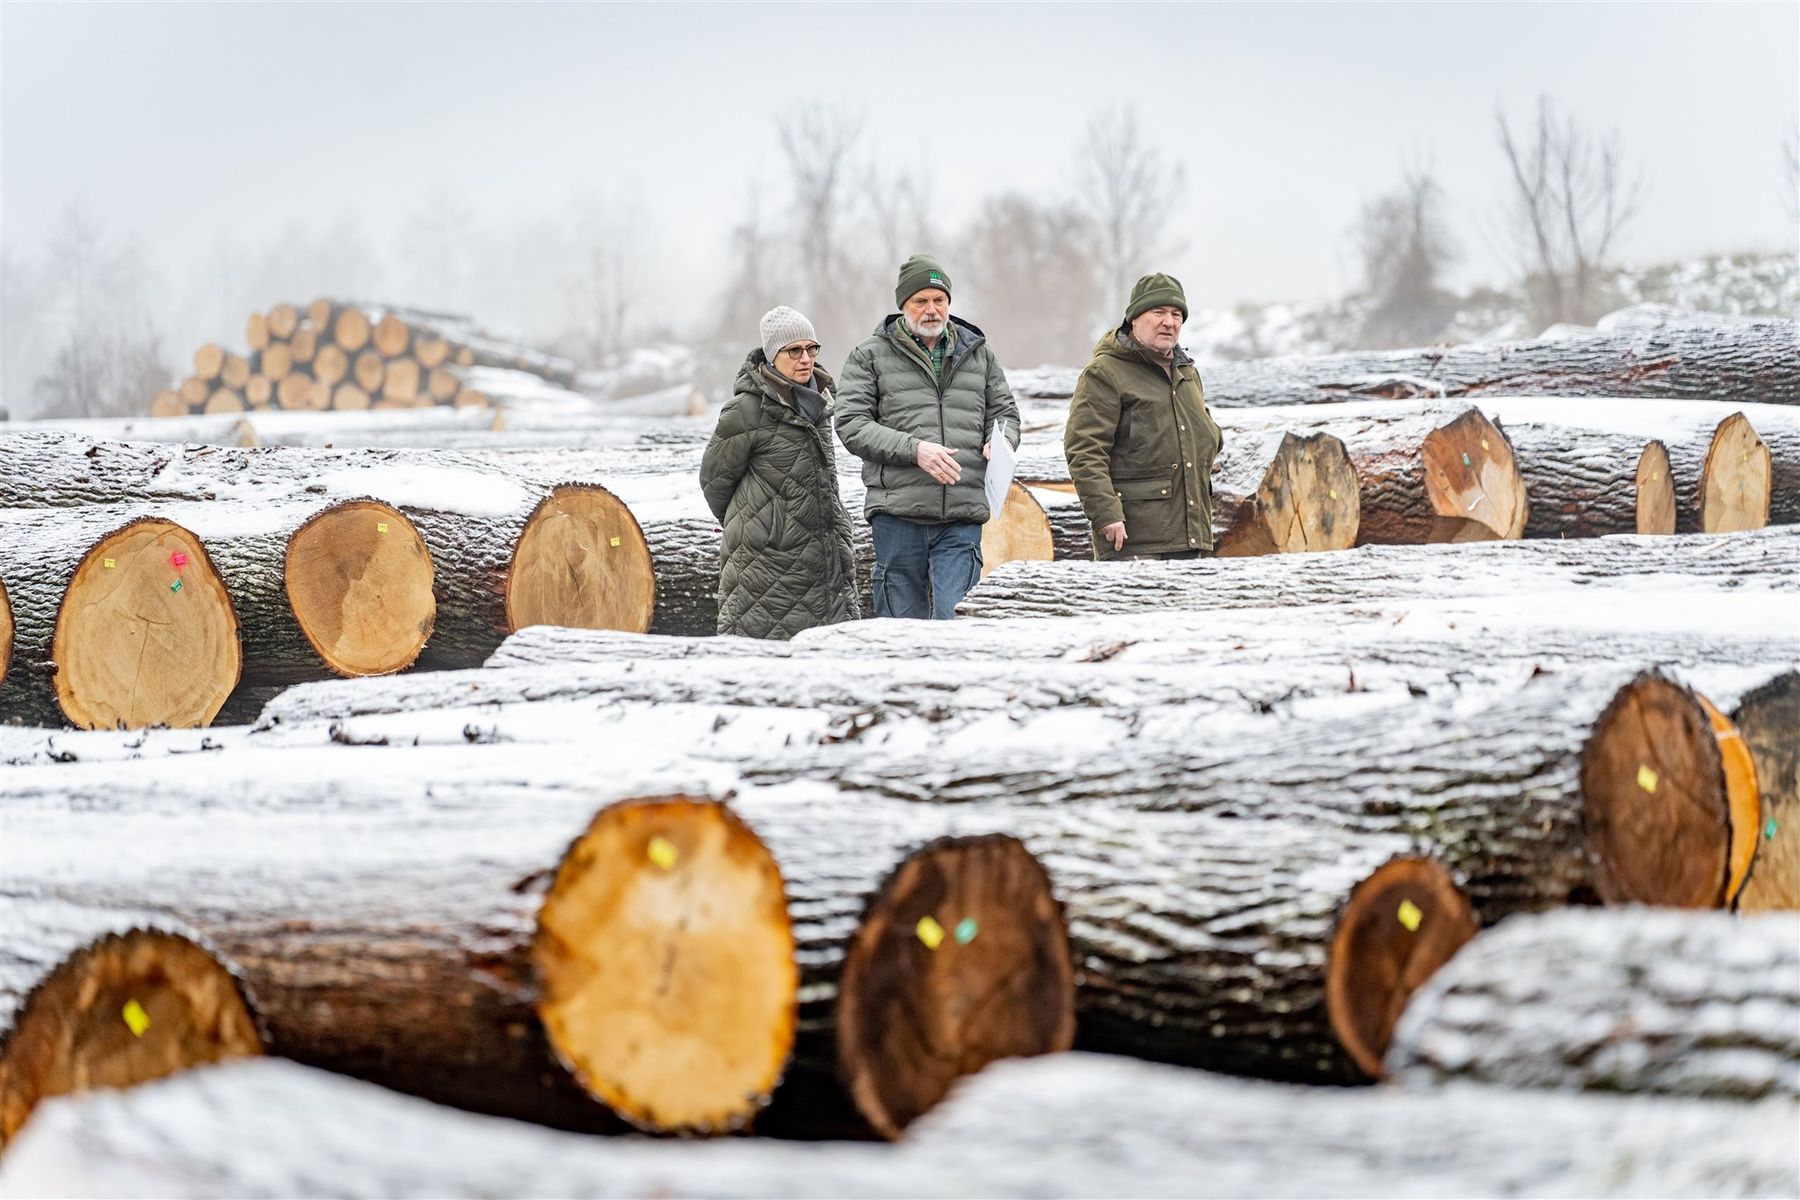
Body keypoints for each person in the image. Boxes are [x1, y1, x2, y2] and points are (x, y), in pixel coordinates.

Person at [835, 254, 1019, 619]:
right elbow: (851, 423)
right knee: (901, 631)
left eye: (939, 300)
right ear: (903, 305)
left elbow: (1005, 413)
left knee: (958, 621)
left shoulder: (978, 353)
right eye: (921, 301)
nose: (931, 310)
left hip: (962, 515)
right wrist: (914, 450)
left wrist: (1000, 440)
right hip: (898, 515)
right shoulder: (869, 356)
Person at [699, 306, 859, 639]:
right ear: (773, 356)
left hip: (823, 555)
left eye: (811, 349)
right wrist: (762, 524)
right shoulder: (744, 410)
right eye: (794, 351)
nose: (806, 358)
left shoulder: (819, 403)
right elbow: (714, 482)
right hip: (765, 566)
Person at [1063, 272, 1223, 560]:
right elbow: (1084, 450)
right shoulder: (1105, 373)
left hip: (1191, 536)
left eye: (1177, 314)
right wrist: (1105, 514)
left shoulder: (1187, 373)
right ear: (1134, 319)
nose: (1169, 321)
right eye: (1158, 311)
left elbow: (1204, 432)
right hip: (1134, 542)